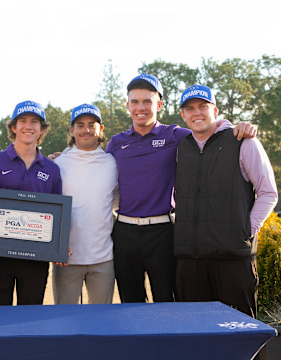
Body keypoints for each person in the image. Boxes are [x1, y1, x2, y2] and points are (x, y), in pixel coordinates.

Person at [106, 73, 256, 303]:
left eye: (147, 101)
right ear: (127, 106)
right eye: (135, 102)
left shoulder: (175, 135)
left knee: (167, 302)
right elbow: (97, 170)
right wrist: (60, 156)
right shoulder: (116, 143)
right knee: (129, 301)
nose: (141, 107)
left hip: (163, 232)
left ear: (159, 105)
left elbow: (209, 131)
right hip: (124, 232)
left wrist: (237, 126)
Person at [174, 84, 277, 317]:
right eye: (189, 108)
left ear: (215, 110)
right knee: (195, 335)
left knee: (239, 335)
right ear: (183, 115)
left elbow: (268, 192)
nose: (196, 112)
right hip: (191, 261)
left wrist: (245, 230)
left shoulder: (243, 142)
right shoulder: (182, 148)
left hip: (233, 260)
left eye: (203, 106)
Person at [0, 100, 62, 305]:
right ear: (13, 127)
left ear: (42, 129)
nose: (28, 126)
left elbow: (57, 211)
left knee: (29, 317)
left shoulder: (52, 169)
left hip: (36, 256)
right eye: (22, 121)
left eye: (35, 122)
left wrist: (60, 244)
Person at [53, 103, 117, 304]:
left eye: (92, 124)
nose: (86, 130)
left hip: (104, 258)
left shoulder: (112, 163)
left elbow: (116, 201)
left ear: (100, 129)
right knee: (64, 320)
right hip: (66, 259)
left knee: (101, 322)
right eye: (80, 125)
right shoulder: (57, 164)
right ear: (72, 130)